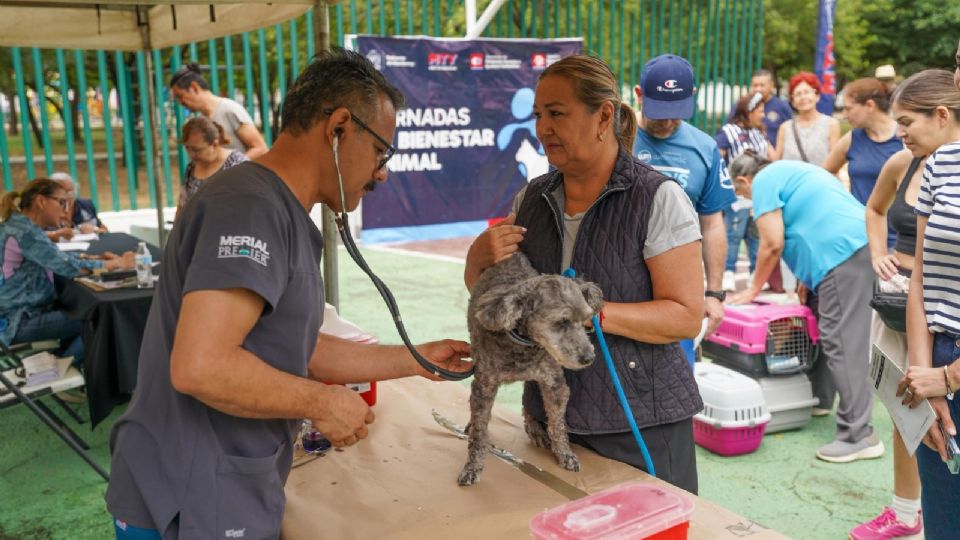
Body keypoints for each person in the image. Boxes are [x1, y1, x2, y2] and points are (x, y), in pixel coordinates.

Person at [105, 49, 473, 539]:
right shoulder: (250, 206)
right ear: (339, 127)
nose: (382, 172)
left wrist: (416, 359)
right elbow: (202, 365)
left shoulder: (280, 210)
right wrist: (321, 404)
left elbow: (300, 347)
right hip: (187, 498)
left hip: (219, 489)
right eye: (382, 151)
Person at [465, 55, 705, 493]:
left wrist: (583, 313)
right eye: (539, 115)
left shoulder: (658, 198)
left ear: (604, 116)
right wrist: (476, 261)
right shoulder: (529, 201)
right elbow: (501, 305)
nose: (542, 129)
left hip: (638, 426)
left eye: (557, 113)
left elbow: (686, 317)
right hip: (549, 421)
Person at [851, 69, 960, 540]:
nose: (901, 131)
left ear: (940, 114)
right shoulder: (920, 164)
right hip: (911, 310)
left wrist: (948, 375)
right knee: (906, 410)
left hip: (941, 323)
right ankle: (904, 509)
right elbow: (875, 210)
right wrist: (878, 253)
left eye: (908, 120)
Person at [726, 152, 883, 464]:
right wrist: (806, 277)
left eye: (741, 193)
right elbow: (809, 221)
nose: (746, 199)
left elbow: (772, 243)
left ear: (744, 181)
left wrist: (753, 289)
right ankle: (821, 399)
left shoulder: (766, 180)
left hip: (842, 254)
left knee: (841, 341)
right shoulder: (790, 170)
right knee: (828, 331)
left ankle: (858, 434)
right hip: (850, 250)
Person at [895, 62, 960, 540]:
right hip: (937, 358)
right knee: (944, 518)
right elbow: (921, 276)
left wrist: (948, 377)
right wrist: (925, 378)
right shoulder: (941, 164)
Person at [631, 53, 735, 351]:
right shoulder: (613, 138)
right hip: (619, 285)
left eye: (676, 111)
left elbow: (713, 224)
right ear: (639, 95)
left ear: (692, 96)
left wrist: (714, 293)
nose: (666, 121)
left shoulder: (705, 148)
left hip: (679, 292)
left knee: (675, 386)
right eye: (659, 110)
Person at [0, 179, 134, 364]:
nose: (66, 209)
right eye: (62, 202)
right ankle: (60, 369)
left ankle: (68, 364)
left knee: (87, 309)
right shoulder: (27, 233)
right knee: (101, 317)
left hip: (18, 313)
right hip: (17, 321)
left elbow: (56, 256)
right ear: (41, 201)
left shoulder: (20, 225)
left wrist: (95, 260)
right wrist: (117, 264)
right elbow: (69, 268)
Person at [717, 92, 775, 292]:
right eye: (759, 111)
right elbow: (719, 159)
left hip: (759, 194)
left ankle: (755, 274)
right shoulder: (728, 131)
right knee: (733, 233)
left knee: (756, 235)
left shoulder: (760, 133)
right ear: (747, 111)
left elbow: (771, 157)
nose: (762, 115)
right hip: (738, 192)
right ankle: (728, 273)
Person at [823, 78, 903, 207]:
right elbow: (827, 171)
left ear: (870, 105)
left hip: (894, 226)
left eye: (848, 109)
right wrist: (843, 201)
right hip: (860, 224)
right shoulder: (852, 138)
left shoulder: (904, 138)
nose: (844, 115)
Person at [168, 63, 268, 159]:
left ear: (194, 87)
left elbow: (260, 148)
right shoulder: (203, 120)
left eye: (180, 96)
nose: (180, 102)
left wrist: (231, 167)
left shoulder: (229, 109)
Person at [176, 116, 248, 212]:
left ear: (214, 144)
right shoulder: (191, 168)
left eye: (196, 150)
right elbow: (182, 205)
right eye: (187, 148)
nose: (191, 155)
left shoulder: (237, 165)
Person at [773, 71, 841, 165]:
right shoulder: (785, 128)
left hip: (819, 179)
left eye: (807, 92)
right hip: (791, 179)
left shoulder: (831, 124)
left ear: (817, 96)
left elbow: (835, 163)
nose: (803, 97)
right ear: (793, 101)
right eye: (798, 94)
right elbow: (777, 163)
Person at [727, 69, 793, 148]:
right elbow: (729, 129)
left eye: (762, 85)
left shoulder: (782, 107)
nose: (758, 89)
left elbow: (790, 134)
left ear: (771, 85)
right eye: (755, 85)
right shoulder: (742, 105)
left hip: (773, 156)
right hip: (744, 154)